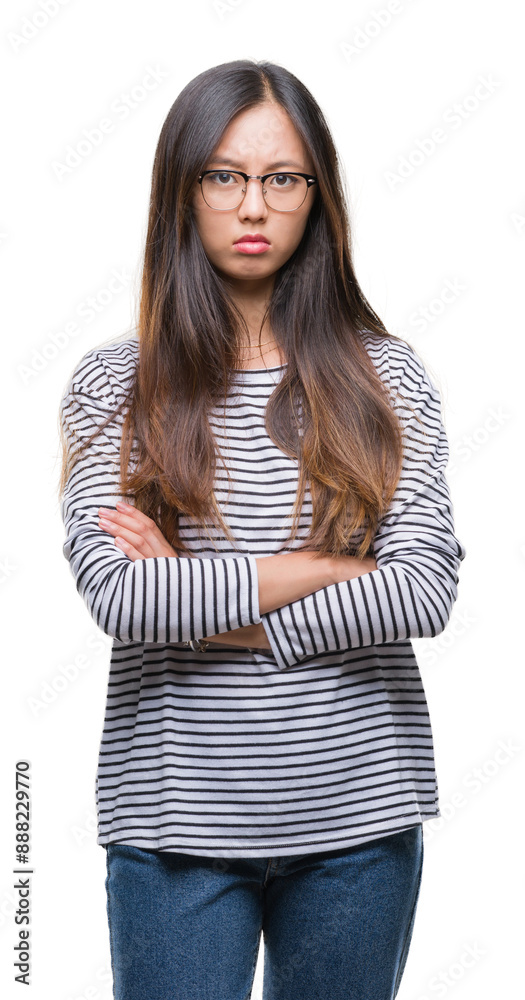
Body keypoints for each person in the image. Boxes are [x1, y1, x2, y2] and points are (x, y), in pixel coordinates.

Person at [58, 59, 466, 1000]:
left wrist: (200, 603)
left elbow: (422, 590)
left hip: (360, 820)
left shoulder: (385, 378)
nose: (254, 205)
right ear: (182, 191)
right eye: (224, 176)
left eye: (282, 178)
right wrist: (334, 566)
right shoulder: (113, 385)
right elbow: (122, 596)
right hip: (175, 829)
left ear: (316, 197)